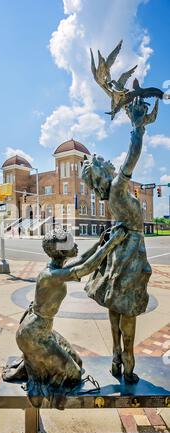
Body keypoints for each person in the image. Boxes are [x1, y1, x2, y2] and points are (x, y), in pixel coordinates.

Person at [3, 226, 126, 408]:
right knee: (74, 374)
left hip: (43, 330)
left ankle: (41, 367)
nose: (75, 245)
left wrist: (99, 243)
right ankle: (40, 381)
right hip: (33, 335)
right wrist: (111, 244)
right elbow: (86, 267)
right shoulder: (50, 275)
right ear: (61, 251)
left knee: (78, 361)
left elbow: (82, 260)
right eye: (71, 243)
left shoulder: (56, 267)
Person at [82, 97, 157, 383]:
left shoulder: (114, 196)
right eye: (103, 163)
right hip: (131, 253)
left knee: (115, 306)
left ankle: (116, 356)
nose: (108, 163)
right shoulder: (117, 187)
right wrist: (138, 127)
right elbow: (132, 157)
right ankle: (128, 362)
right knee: (128, 310)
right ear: (103, 174)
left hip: (120, 250)